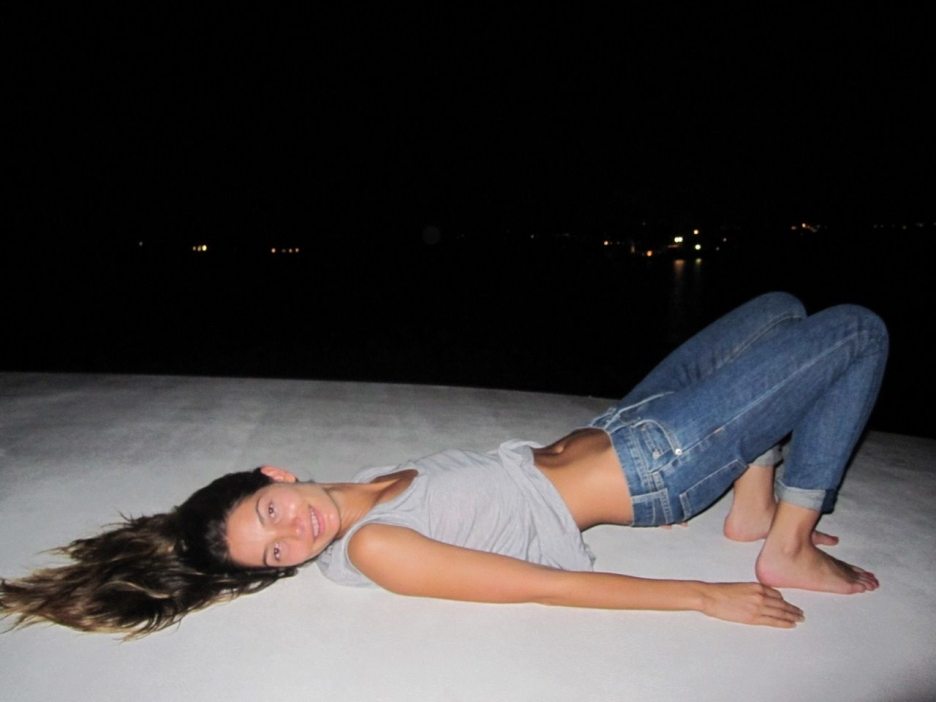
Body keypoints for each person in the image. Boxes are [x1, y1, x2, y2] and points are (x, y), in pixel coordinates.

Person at [0, 292, 888, 637]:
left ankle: (751, 501)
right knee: (853, 332)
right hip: (660, 467)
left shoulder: (360, 489)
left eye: (271, 516)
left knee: (778, 312)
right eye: (274, 554)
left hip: (621, 421)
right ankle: (786, 544)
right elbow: (544, 587)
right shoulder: (376, 546)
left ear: (274, 475)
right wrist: (700, 597)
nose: (294, 534)